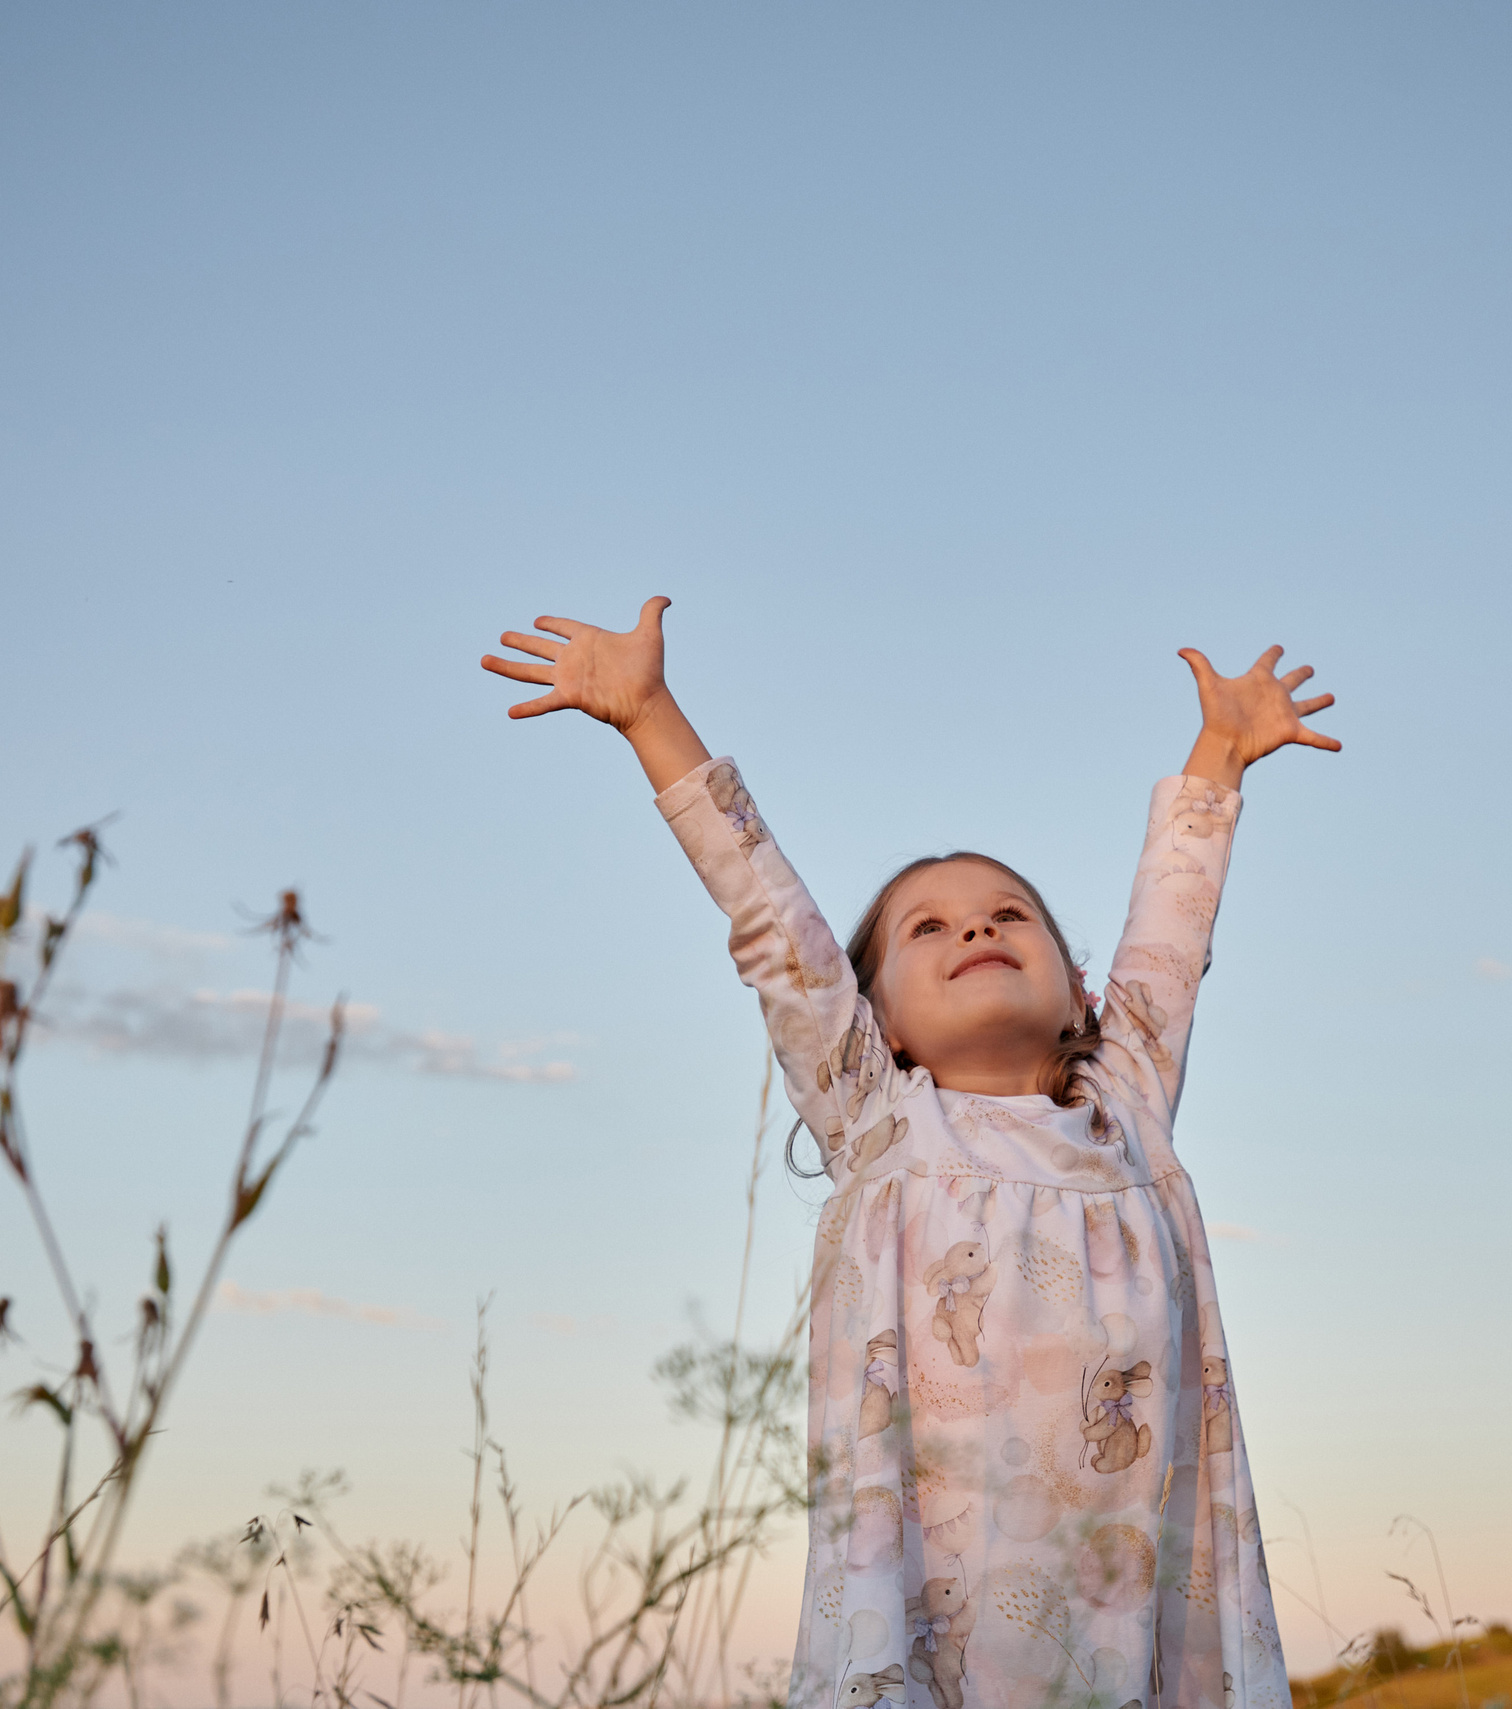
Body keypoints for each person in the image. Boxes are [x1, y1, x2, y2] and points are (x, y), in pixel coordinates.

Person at [482, 597, 1338, 1709]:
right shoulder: (879, 1115)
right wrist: (651, 715)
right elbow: (769, 920)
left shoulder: (1125, 1101)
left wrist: (1219, 752)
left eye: (1009, 915)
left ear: (1080, 989)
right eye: (927, 928)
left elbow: (1173, 928)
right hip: (938, 1624)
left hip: (1135, 1625)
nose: (977, 927)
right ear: (874, 1018)